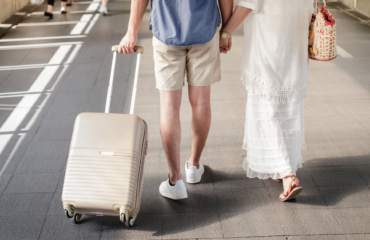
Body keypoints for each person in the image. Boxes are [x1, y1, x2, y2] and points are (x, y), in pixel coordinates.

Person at [118, 0, 233, 200]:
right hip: (204, 28)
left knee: (169, 105)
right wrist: (226, 30)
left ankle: (175, 179)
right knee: (201, 102)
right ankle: (194, 166)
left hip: (166, 29)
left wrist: (131, 31)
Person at [219, 0, 313, 201]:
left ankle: (287, 174)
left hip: (270, 33)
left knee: (268, 103)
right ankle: (282, 166)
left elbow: (248, 3)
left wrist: (226, 32)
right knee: (288, 103)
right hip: (295, 30)